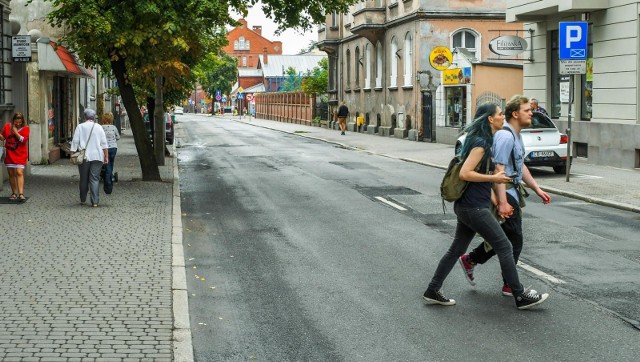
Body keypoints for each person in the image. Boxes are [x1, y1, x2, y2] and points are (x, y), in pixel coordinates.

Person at [423, 103, 550, 310]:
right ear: (491, 119)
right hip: (473, 208)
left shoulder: (486, 141)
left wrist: (498, 201)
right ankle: (519, 295)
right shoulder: (481, 143)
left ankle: (432, 290)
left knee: (457, 249)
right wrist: (492, 177)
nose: (503, 117)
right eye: (500, 114)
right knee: (505, 246)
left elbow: (483, 179)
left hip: (470, 206)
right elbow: (465, 173)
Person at [459, 96, 552, 296]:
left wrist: (537, 188)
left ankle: (472, 260)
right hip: (505, 191)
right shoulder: (505, 136)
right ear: (515, 114)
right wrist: (502, 202)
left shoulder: (516, 136)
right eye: (527, 110)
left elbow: (520, 165)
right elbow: (498, 170)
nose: (532, 113)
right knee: (513, 239)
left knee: (505, 239)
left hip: (512, 191)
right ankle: (509, 285)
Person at [71, 108, 108, 207]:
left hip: (84, 157)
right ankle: (95, 202)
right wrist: (106, 157)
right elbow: (104, 144)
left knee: (83, 178)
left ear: (85, 117)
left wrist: (72, 153)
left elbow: (75, 141)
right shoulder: (99, 127)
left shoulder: (80, 127)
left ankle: (83, 199)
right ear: (94, 118)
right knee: (94, 179)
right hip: (97, 156)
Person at [0, 112, 30, 202]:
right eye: (16, 122)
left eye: (19, 122)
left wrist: (16, 132)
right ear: (13, 121)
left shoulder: (26, 128)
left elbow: (23, 140)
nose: (18, 124)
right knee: (11, 174)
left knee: (19, 172)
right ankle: (14, 193)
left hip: (20, 154)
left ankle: (21, 194)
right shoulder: (7, 126)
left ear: (22, 121)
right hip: (10, 154)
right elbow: (3, 138)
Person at [101, 112, 120, 194]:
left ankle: (108, 185)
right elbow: (118, 137)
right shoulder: (114, 128)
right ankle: (109, 179)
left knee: (106, 165)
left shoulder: (101, 128)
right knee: (111, 164)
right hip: (113, 148)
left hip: (105, 149)